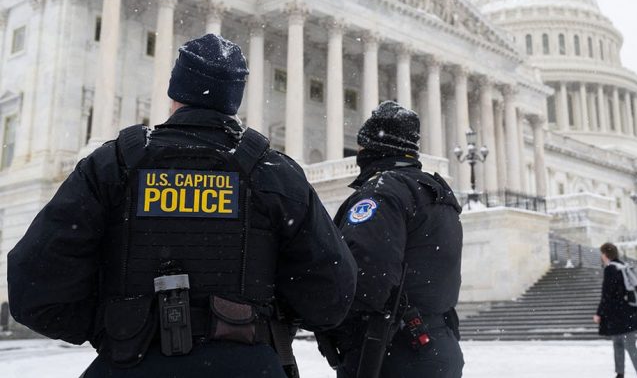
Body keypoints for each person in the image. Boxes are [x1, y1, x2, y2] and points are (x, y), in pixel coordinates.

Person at [7, 33, 357, 378]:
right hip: (247, 362)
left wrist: (119, 323)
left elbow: (34, 287)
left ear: (175, 95)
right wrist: (261, 317)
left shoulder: (111, 166)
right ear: (233, 101)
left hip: (130, 362)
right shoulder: (274, 174)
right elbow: (332, 294)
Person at [323, 101, 464, 378]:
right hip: (437, 344)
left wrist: (334, 326)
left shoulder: (382, 192)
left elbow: (364, 278)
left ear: (373, 149)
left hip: (390, 350)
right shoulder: (437, 194)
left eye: (361, 147)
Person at [593, 242, 637, 378]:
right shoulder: (623, 266)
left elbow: (607, 294)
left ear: (605, 255)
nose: (601, 256)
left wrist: (599, 313)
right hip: (628, 312)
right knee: (618, 342)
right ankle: (620, 374)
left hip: (620, 314)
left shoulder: (611, 269)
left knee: (629, 345)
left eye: (601, 254)